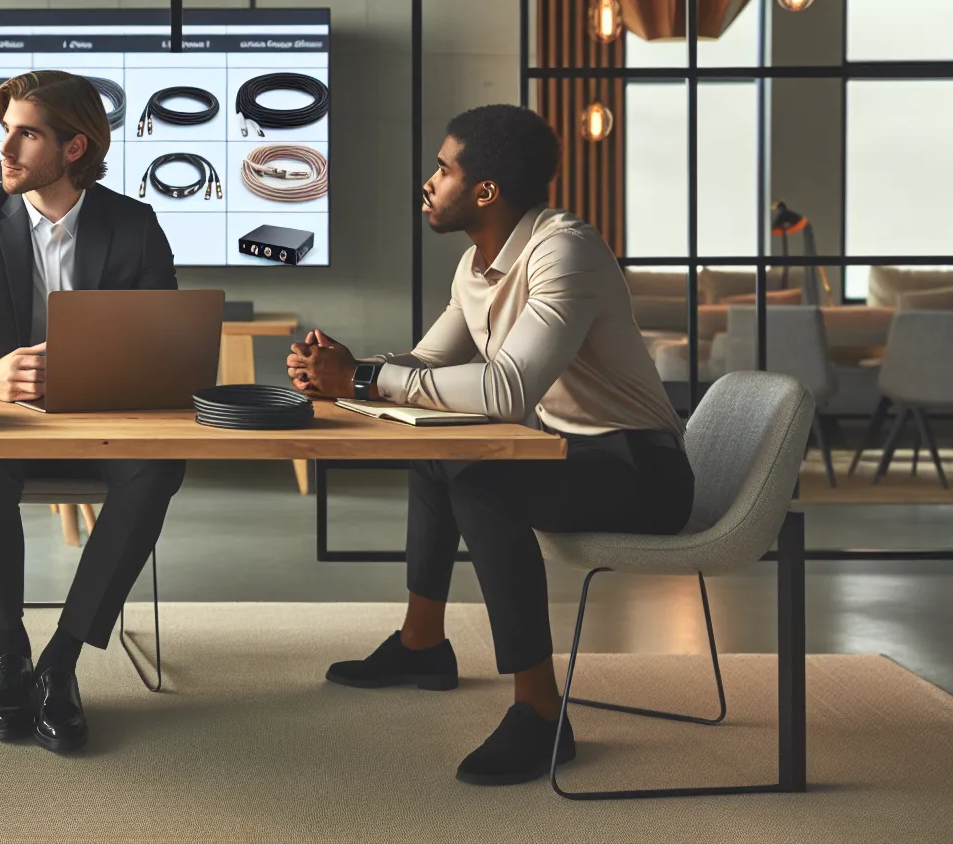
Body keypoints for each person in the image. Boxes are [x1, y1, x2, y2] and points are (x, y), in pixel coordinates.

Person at [288, 104, 693, 786]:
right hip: (567, 453)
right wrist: (345, 371)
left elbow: (506, 390)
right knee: (436, 451)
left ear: (485, 191)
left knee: (483, 485)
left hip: (641, 469)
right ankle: (422, 645)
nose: (429, 182)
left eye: (443, 169)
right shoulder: (476, 266)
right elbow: (420, 367)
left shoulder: (564, 251)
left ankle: (540, 715)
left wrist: (361, 377)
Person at [0, 70, 185, 753]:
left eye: (26, 133)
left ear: (74, 147)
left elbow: (168, 347)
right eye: (4, 131)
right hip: (4, 425)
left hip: (104, 428)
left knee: (157, 469)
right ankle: (11, 650)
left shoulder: (134, 224)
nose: (5, 149)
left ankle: (59, 660)